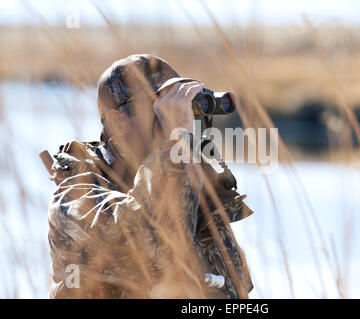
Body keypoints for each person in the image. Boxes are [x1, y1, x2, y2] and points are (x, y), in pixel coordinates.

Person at [47, 54, 253, 298]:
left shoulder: (193, 187)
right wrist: (176, 145)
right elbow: (155, 251)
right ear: (118, 122)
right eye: (159, 108)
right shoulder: (75, 196)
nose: (174, 118)